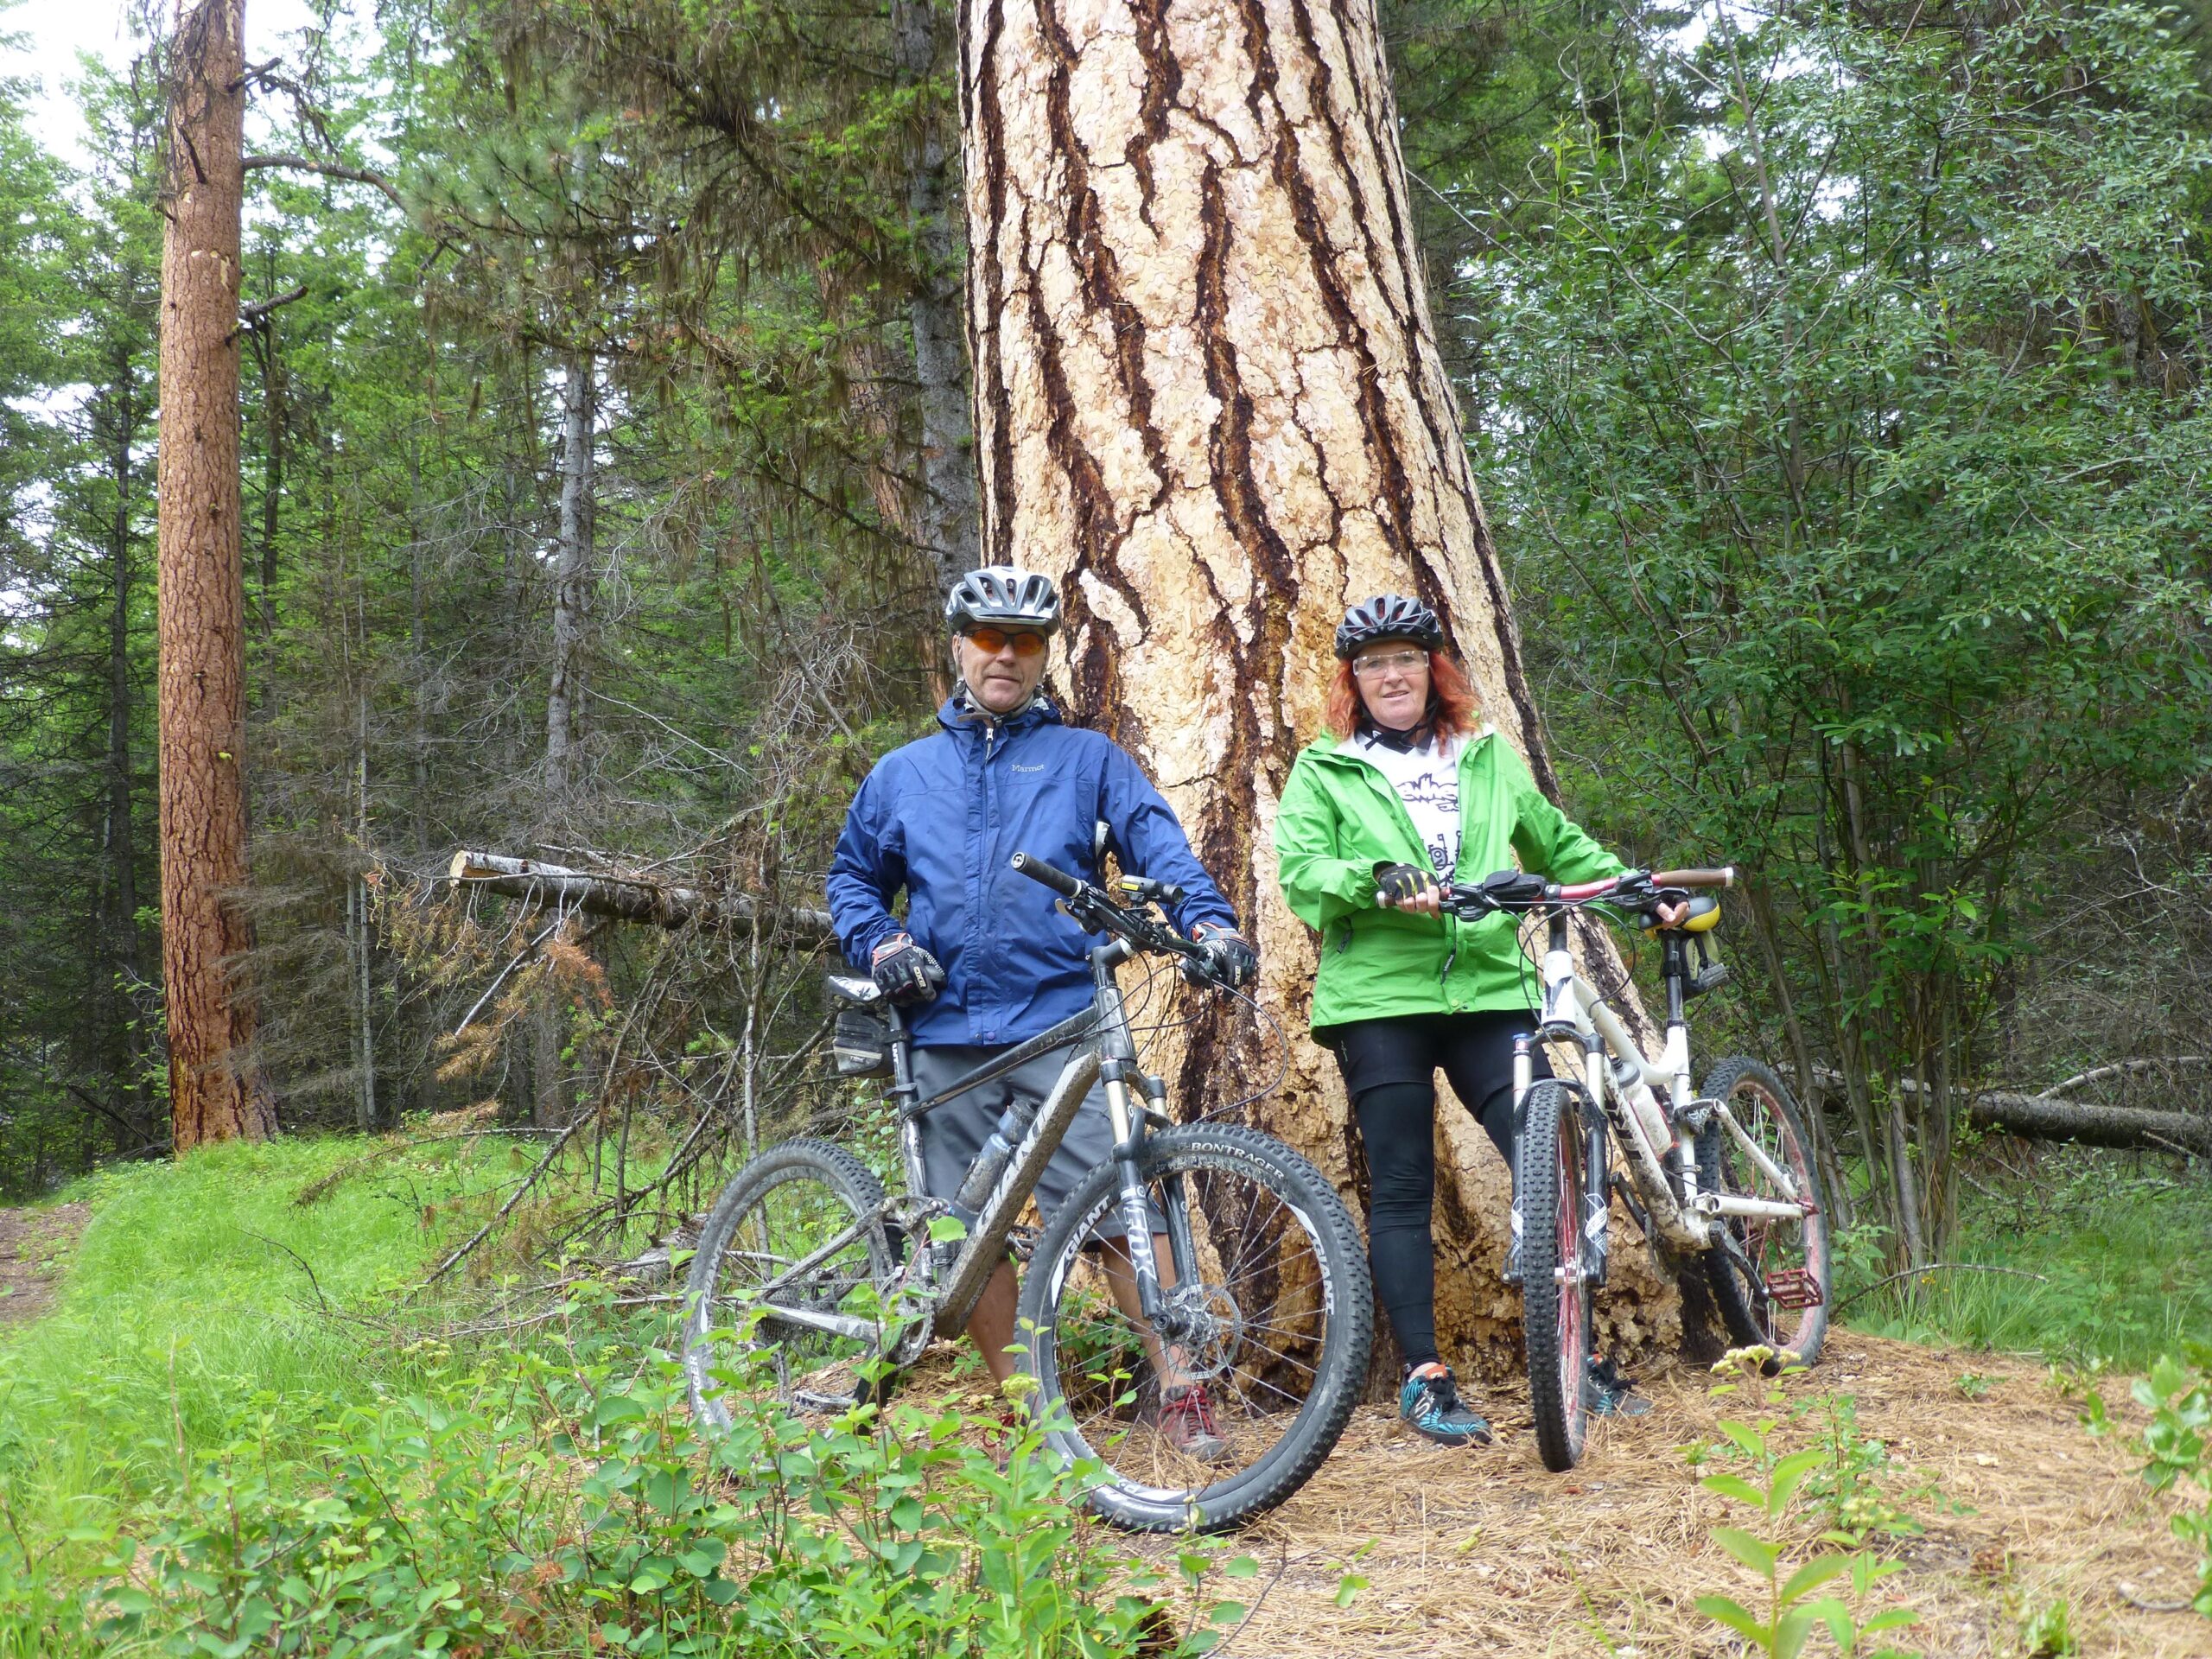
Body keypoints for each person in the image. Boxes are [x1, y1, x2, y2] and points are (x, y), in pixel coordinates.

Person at [826, 565, 1259, 1458]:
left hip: (1062, 1022)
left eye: (1024, 642)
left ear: (1040, 657)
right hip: (944, 1031)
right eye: (988, 638)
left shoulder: (1085, 760)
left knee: (1117, 1207)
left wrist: (1208, 921)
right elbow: (852, 881)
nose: (1005, 656)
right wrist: (882, 944)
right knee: (968, 1238)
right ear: (957, 647)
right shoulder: (902, 774)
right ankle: (1034, 1418)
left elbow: (1158, 848)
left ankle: (1181, 1391)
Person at [1272, 594, 1655, 1446]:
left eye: (1405, 658)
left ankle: (1572, 1353)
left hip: (1489, 986)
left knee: (1547, 1158)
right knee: (1403, 1182)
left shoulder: (1485, 758)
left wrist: (1635, 890)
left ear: (1433, 669)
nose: (1391, 675)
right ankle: (1424, 1377)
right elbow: (1301, 869)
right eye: (1372, 664)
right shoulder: (1325, 769)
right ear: (1353, 682)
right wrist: (1374, 876)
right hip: (1381, 994)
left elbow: (1554, 842)